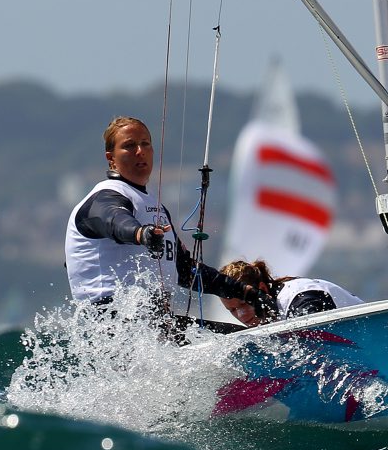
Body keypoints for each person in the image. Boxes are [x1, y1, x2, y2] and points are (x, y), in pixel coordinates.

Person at [64, 116, 260, 331]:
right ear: (111, 158)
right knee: (240, 343)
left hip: (152, 326)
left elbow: (185, 269)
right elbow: (114, 219)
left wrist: (241, 290)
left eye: (145, 144)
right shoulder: (104, 196)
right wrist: (141, 233)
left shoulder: (154, 206)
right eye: (129, 146)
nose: (140, 151)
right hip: (113, 326)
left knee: (241, 338)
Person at [220, 259, 362, 323]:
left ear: (262, 289)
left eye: (244, 304)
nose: (241, 315)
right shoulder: (268, 314)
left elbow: (319, 336)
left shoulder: (300, 297)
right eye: (232, 310)